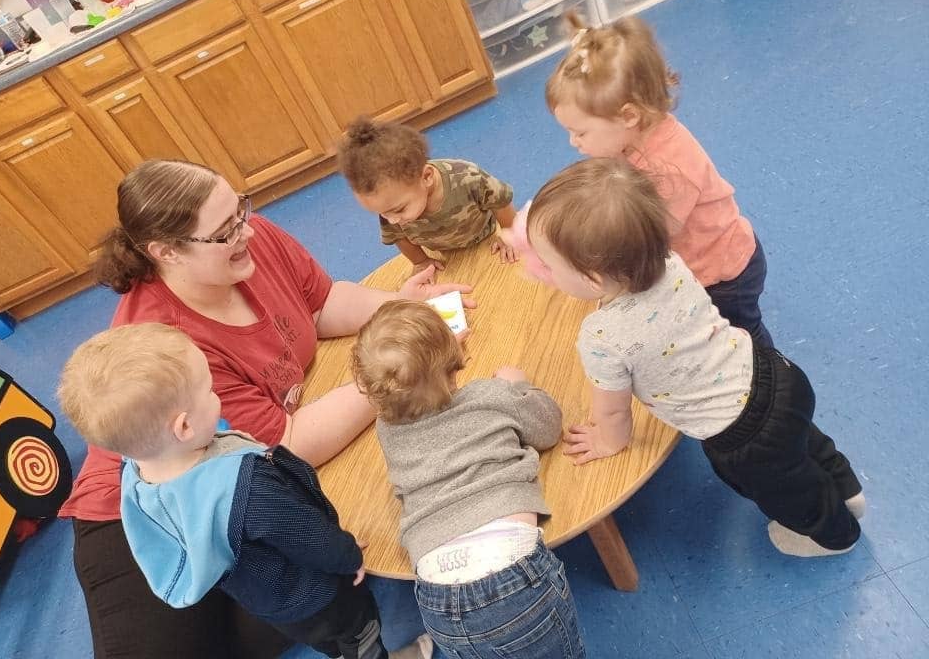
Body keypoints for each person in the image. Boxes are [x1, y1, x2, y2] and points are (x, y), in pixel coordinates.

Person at [58, 159, 471, 659]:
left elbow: (318, 304)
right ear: (166, 252)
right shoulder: (171, 344)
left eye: (241, 211)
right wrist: (399, 369)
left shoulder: (242, 240)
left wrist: (401, 311)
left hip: (227, 493)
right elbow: (290, 442)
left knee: (266, 609)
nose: (246, 232)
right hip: (136, 513)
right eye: (224, 231)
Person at [525, 158, 864, 558]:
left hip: (743, 434)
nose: (542, 271)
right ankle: (846, 488)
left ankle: (833, 535)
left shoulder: (601, 335)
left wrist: (605, 441)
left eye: (548, 265)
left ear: (593, 279)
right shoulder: (669, 262)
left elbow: (615, 415)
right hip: (773, 372)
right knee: (804, 437)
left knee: (784, 487)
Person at [58, 323, 433, 659]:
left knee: (328, 641)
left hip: (268, 599)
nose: (217, 397)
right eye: (209, 390)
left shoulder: (138, 472)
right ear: (184, 427)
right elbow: (307, 536)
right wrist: (347, 555)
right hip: (317, 596)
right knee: (357, 635)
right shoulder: (248, 489)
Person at [350, 300, 587, 658]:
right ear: (452, 365)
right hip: (512, 576)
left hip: (435, 593)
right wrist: (519, 384)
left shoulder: (388, 431)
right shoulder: (488, 395)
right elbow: (549, 428)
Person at [545, 12, 774, 347]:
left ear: (628, 116)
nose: (573, 142)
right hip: (699, 262)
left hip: (724, 275)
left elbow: (646, 240)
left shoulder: (669, 169)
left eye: (579, 132)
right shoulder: (629, 139)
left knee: (740, 337)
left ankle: (765, 380)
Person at [337, 116, 518, 277]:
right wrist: (420, 261)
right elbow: (398, 237)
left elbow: (500, 201)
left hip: (486, 239)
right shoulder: (391, 205)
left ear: (427, 177)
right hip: (446, 256)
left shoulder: (468, 177)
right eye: (383, 213)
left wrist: (510, 236)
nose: (392, 220)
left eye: (399, 210)